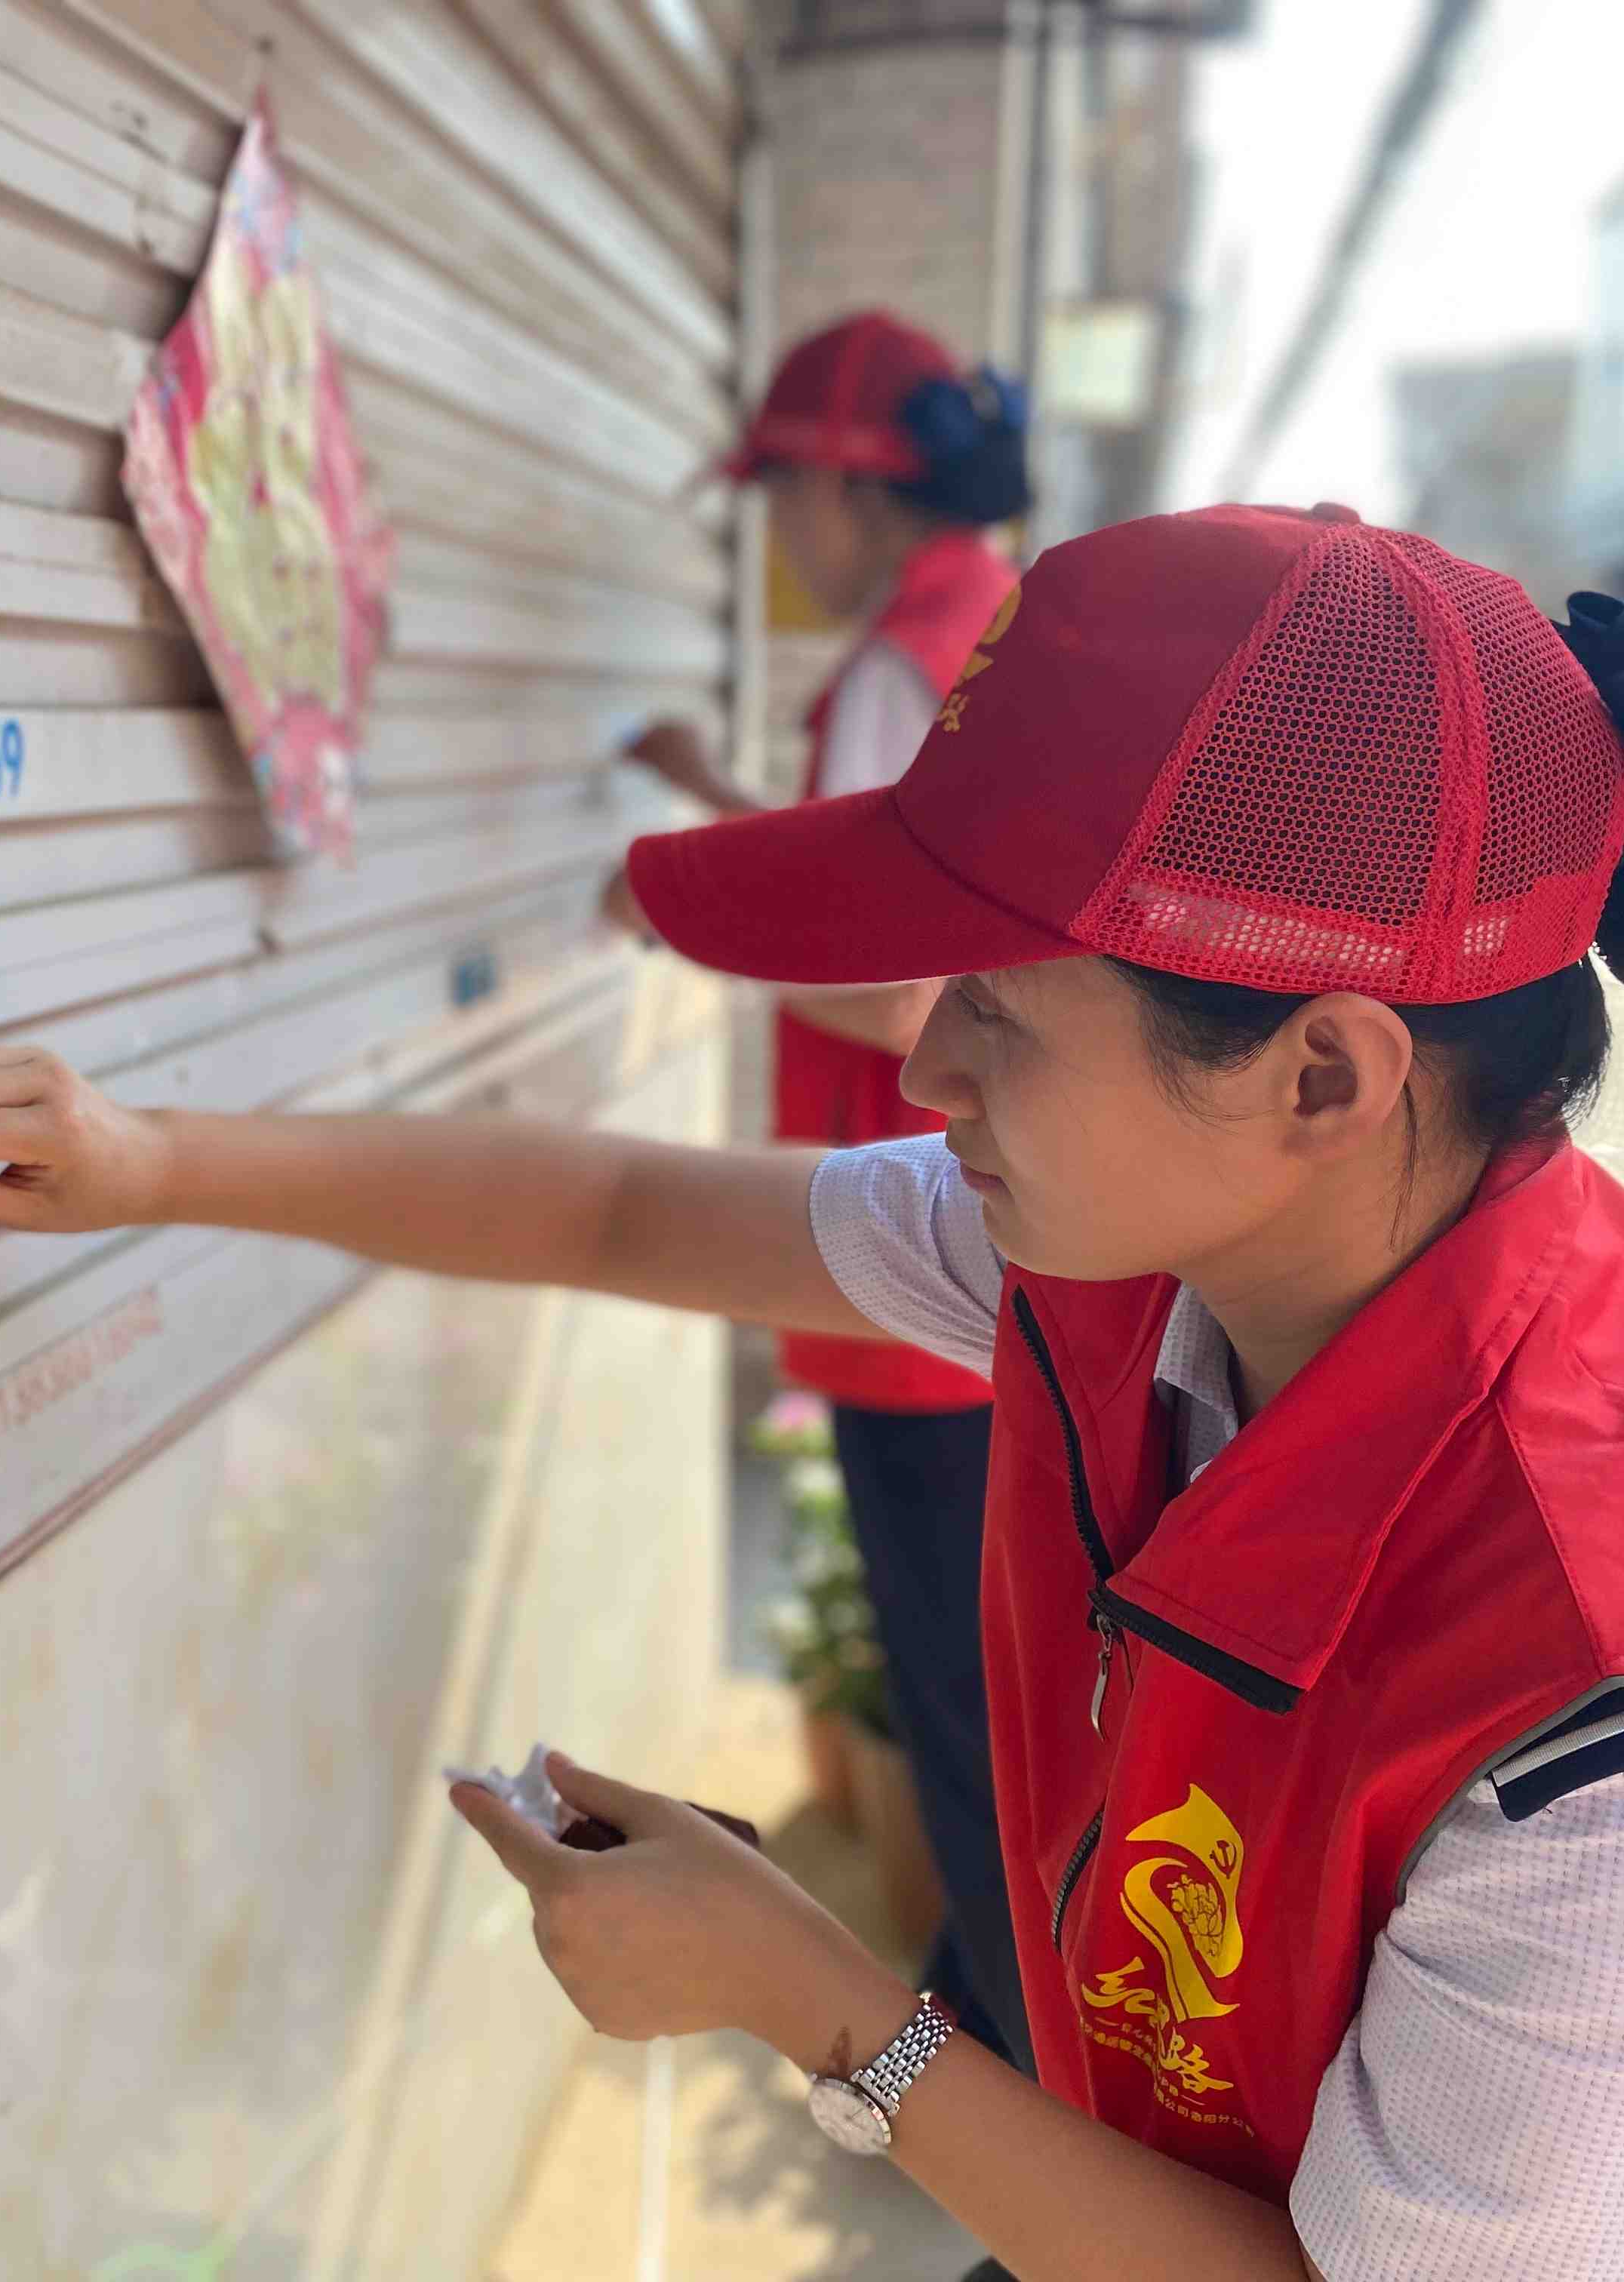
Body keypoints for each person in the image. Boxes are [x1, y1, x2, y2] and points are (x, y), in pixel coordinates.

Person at [0, 504, 1624, 2279]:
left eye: (999, 1001)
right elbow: (617, 1209)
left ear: (1321, 1077)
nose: (927, 1067)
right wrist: (150, 1160)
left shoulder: (1612, 1732)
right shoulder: (1165, 1255)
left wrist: (817, 2001)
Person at [613, 306, 1040, 2072]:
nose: (779, 535)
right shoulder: (993, 626)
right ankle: (997, 1997)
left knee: (955, 1685)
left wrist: (691, 894)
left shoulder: (890, 667)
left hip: (901, 1253)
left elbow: (893, 986)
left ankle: (994, 2053)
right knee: (993, 1674)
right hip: (999, 1229)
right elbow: (890, 893)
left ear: (858, 490)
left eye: (786, 494)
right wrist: (721, 816)